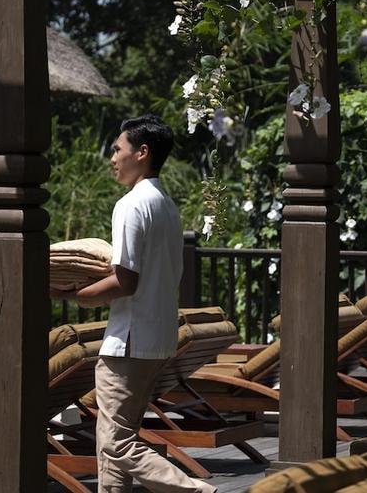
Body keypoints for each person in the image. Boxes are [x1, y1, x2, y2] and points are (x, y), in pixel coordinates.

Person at [75, 114, 216, 493]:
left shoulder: (131, 205)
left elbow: (125, 280)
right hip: (157, 338)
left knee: (116, 443)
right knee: (116, 438)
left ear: (142, 152)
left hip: (129, 341)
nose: (112, 158)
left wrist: (77, 296)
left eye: (117, 149)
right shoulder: (167, 205)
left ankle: (197, 491)